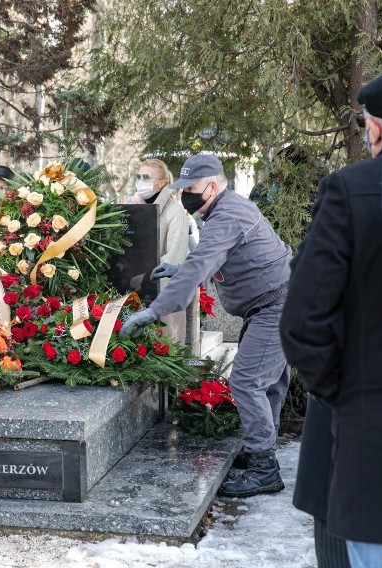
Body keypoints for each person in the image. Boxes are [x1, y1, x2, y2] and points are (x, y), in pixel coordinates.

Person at [282, 68, 382, 568]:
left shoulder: (351, 191)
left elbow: (305, 315)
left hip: (358, 428)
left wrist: (337, 390)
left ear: (376, 130)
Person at [120, 153, 292, 498]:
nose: (185, 194)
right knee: (267, 384)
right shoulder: (221, 209)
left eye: (191, 188)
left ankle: (264, 469)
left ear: (212, 186)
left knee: (247, 381)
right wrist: (180, 269)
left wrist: (154, 312)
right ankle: (261, 453)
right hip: (275, 304)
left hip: (277, 306)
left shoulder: (228, 214)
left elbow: (203, 260)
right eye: (181, 187)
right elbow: (218, 258)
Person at [130, 159, 190, 343]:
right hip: (133, 290)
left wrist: (140, 274)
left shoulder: (175, 212)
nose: (141, 181)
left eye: (146, 177)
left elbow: (174, 257)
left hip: (164, 293)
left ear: (162, 183)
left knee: (165, 346)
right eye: (138, 176)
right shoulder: (133, 208)